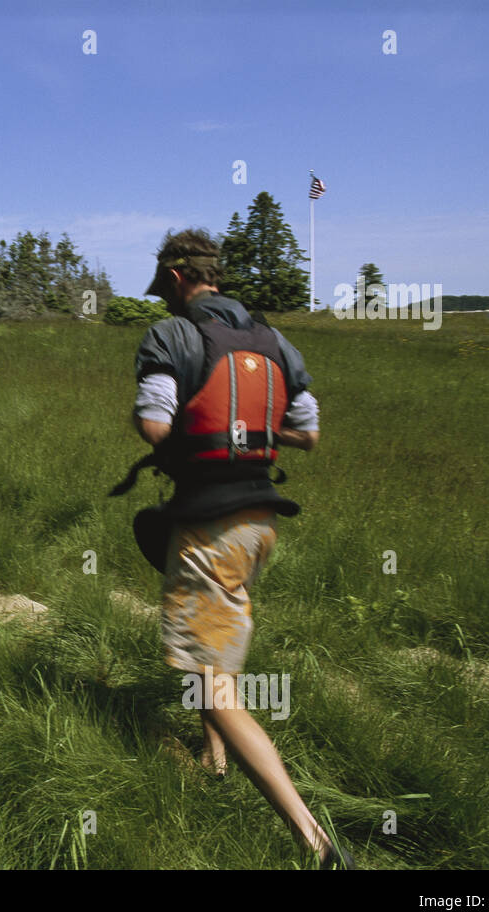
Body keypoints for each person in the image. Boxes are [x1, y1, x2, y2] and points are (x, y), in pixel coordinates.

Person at [130, 228, 351, 868]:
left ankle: (313, 842)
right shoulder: (274, 340)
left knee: (208, 683)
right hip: (260, 524)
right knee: (214, 650)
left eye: (163, 289)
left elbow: (154, 425)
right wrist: (252, 428)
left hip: (210, 527)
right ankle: (214, 758)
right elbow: (308, 434)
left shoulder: (171, 336)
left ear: (175, 279)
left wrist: (178, 429)